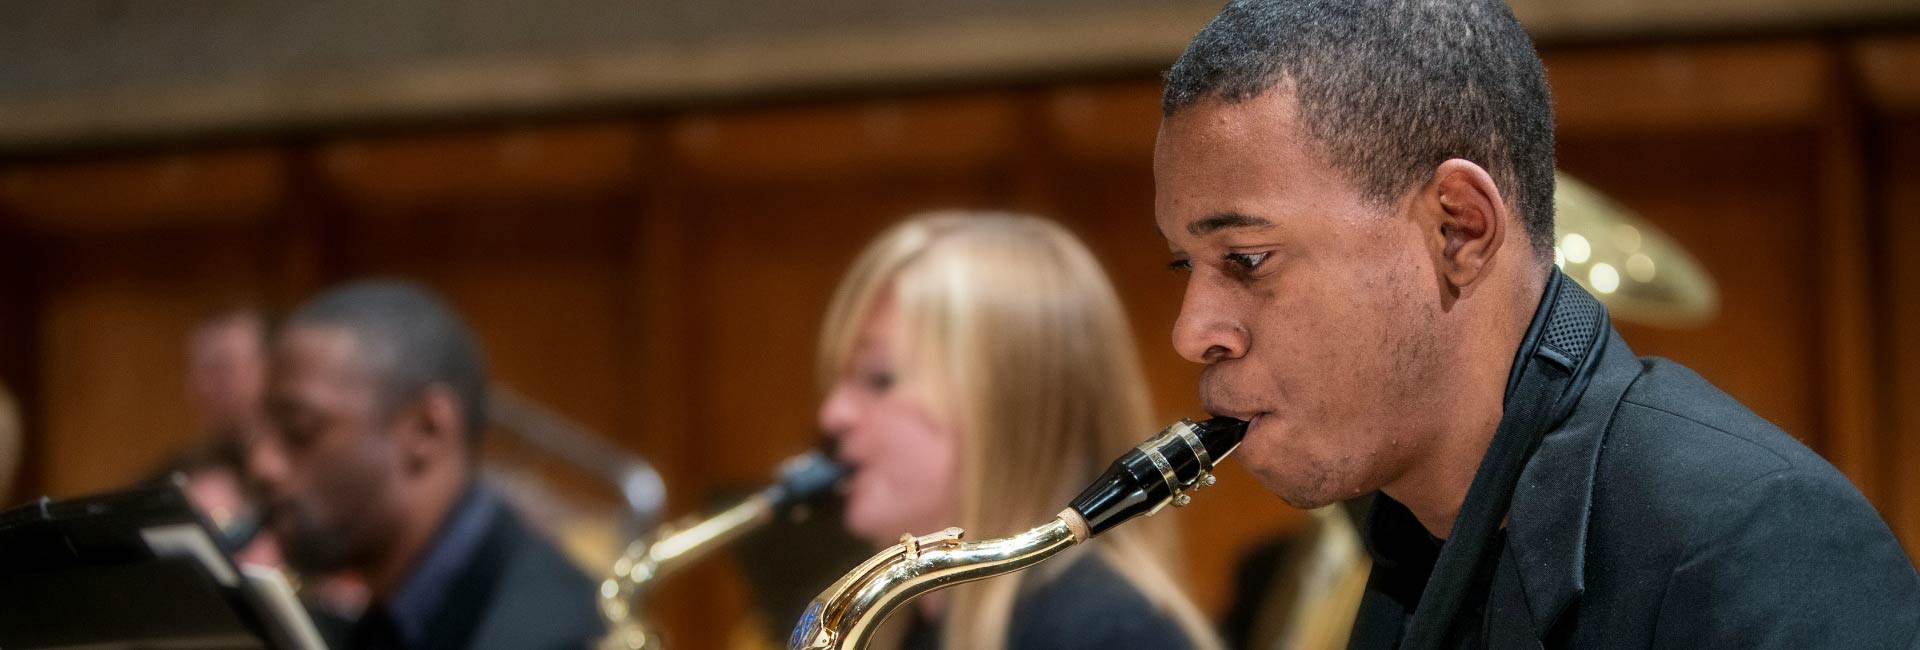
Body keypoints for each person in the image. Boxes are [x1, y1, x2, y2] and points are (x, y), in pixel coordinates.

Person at [1151, 1, 1920, 649]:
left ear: (1459, 229)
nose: (1193, 333)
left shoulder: (1758, 542)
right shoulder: (1410, 541)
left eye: (1246, 258)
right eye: (1189, 265)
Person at [816, 213, 1221, 650]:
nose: (833, 415)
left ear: (1006, 401)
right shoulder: (915, 626)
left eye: (879, 378)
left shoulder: (1107, 632)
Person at [247, 281, 601, 650]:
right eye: (259, 436)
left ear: (426, 430)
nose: (262, 465)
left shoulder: (554, 635)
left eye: (300, 431)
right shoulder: (390, 615)